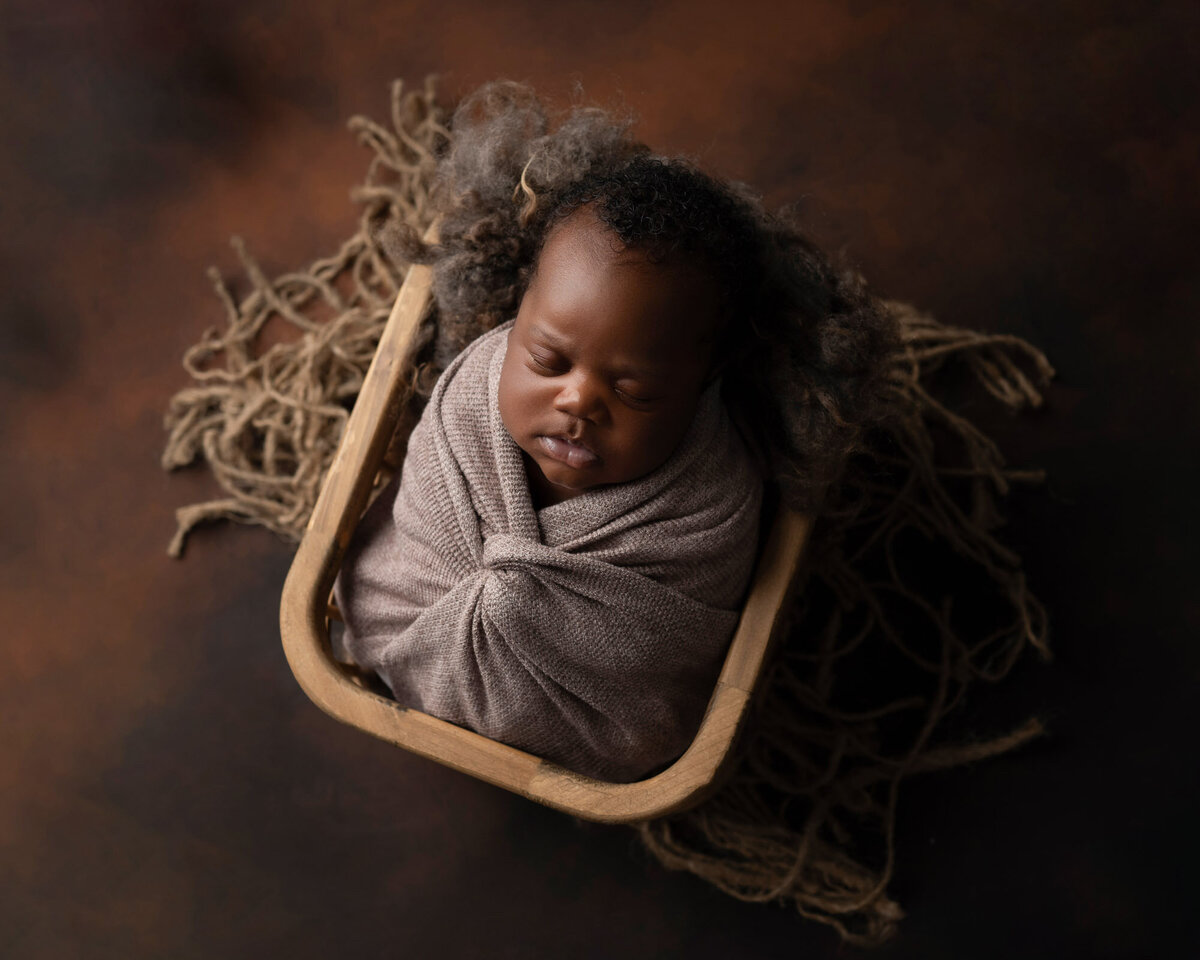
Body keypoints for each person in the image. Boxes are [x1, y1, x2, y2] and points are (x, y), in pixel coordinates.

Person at [333, 82, 895, 782]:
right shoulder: (474, 391)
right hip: (416, 608)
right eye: (548, 360)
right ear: (516, 315)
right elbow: (414, 517)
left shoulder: (711, 505)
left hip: (590, 715)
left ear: (703, 385)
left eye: (635, 392)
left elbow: (657, 661)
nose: (577, 401)